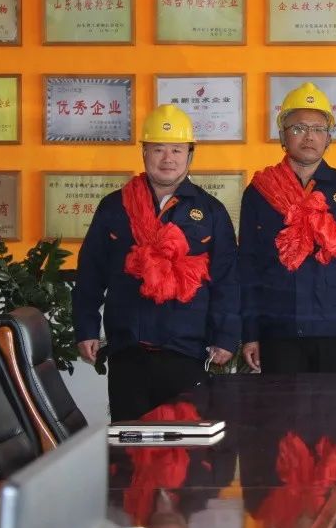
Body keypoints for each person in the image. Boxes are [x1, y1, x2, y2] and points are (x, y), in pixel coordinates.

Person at [73, 104, 240, 421]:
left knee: (184, 443)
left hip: (186, 351)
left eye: (177, 150)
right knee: (129, 439)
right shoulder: (115, 207)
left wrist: (226, 336)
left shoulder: (211, 212)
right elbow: (90, 273)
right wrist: (86, 328)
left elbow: (226, 280)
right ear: (144, 152)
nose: (168, 158)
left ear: (190, 155)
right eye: (158, 149)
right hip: (128, 350)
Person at [238, 82, 336, 374]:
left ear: (329, 138)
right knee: (279, 405)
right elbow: (248, 266)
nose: (309, 136)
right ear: (282, 136)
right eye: (298, 128)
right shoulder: (259, 192)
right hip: (278, 330)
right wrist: (250, 332)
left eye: (318, 129)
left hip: (335, 331)